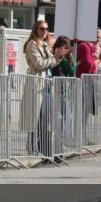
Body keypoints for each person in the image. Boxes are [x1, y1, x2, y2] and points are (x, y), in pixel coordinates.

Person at [23, 19, 72, 156]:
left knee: (43, 119)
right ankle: (32, 148)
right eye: (42, 29)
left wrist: (59, 56)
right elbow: (39, 64)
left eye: (46, 29)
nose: (45, 31)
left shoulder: (45, 45)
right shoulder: (32, 45)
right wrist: (56, 56)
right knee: (35, 118)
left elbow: (52, 62)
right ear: (35, 30)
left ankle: (40, 148)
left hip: (47, 85)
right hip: (37, 84)